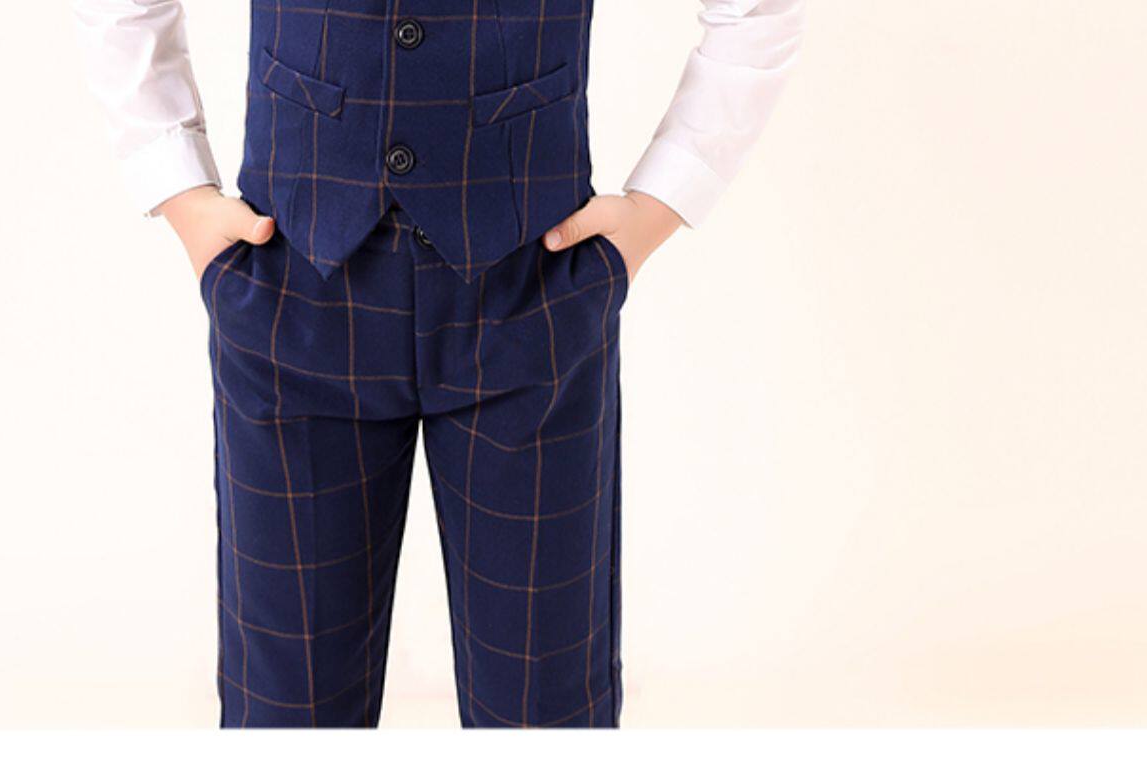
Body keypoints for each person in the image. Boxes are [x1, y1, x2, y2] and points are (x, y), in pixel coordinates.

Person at [72, 0, 804, 728]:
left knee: (545, 716)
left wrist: (664, 198)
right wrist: (177, 186)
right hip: (292, 290)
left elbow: (755, 12)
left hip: (532, 292)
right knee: (285, 715)